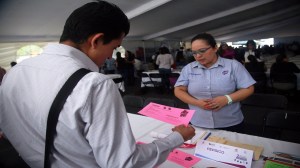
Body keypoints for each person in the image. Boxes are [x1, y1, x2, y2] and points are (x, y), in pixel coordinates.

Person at [0, 1, 195, 168]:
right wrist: (176, 138)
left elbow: (9, 128)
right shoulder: (93, 84)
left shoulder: (15, 72)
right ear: (96, 40)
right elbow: (123, 163)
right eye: (113, 47)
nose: (110, 56)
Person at [174, 33, 255, 133]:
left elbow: (248, 88)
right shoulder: (189, 69)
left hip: (230, 122)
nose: (198, 56)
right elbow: (178, 90)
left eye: (202, 51)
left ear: (215, 48)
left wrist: (227, 99)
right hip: (197, 122)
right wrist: (197, 103)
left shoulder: (233, 65)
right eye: (194, 53)